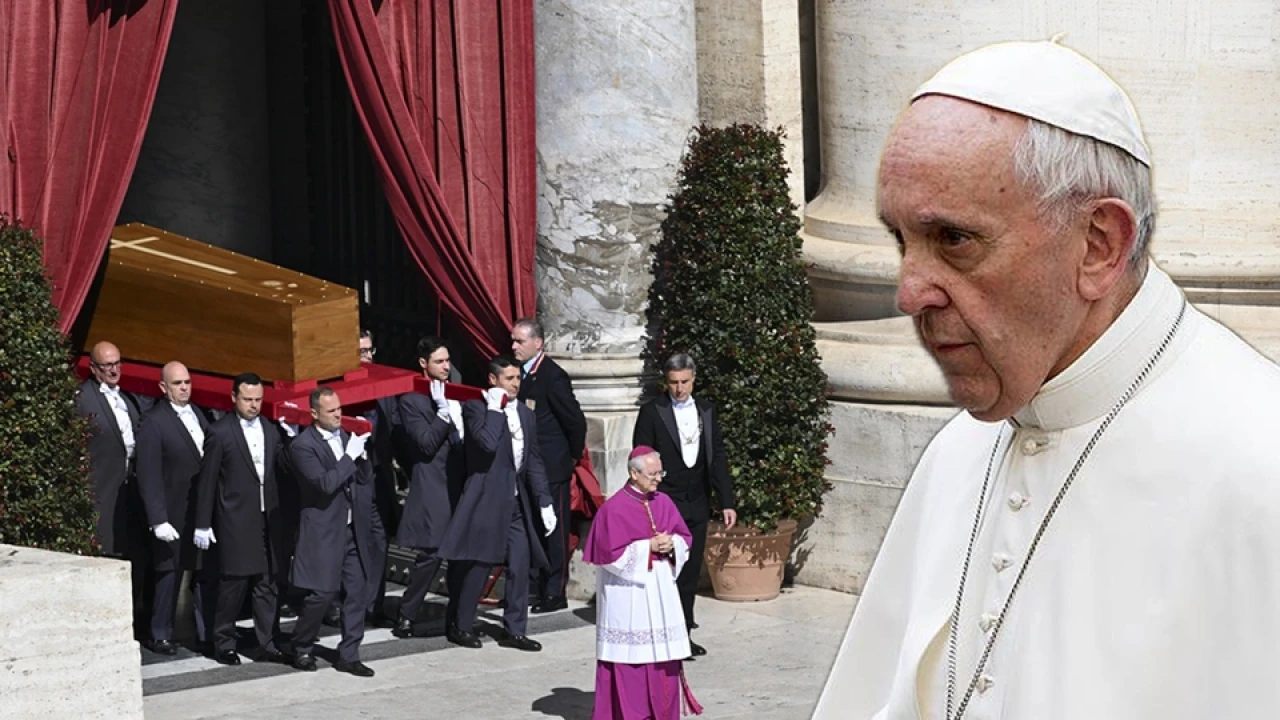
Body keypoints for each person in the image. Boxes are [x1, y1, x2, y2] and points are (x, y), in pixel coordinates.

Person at [813, 40, 1280, 720]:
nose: (910, 292)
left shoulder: (1262, 462)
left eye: (954, 240)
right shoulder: (957, 454)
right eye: (899, 240)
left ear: (1099, 245)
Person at [438, 355, 558, 652]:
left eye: (518, 378)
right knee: (479, 565)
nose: (515, 384)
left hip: (515, 502)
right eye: (509, 379)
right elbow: (487, 443)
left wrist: (544, 501)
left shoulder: (527, 415)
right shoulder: (476, 409)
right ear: (493, 380)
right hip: (486, 499)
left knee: (520, 562)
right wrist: (495, 408)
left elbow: (532, 461)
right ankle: (461, 624)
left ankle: (515, 630)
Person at [586, 446, 703, 720]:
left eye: (660, 472)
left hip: (660, 592)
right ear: (633, 473)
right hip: (629, 597)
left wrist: (670, 543)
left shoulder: (663, 501)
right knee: (632, 661)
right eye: (652, 473)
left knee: (662, 659)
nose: (658, 478)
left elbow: (684, 537)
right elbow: (609, 556)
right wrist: (647, 547)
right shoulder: (613, 509)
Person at [632, 353, 736, 657]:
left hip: (698, 500)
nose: (679, 389)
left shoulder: (706, 410)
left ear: (693, 379)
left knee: (690, 570)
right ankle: (660, 634)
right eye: (674, 383)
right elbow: (640, 454)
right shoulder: (653, 412)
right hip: (666, 501)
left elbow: (717, 457)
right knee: (665, 570)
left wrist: (726, 501)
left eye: (685, 382)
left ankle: (684, 634)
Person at [193, 373, 291, 666]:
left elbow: (282, 469)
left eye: (258, 400)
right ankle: (223, 641)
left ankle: (266, 641)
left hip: (267, 517)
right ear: (234, 397)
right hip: (234, 519)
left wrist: (292, 438)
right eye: (247, 399)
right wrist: (202, 523)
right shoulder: (220, 432)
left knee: (267, 582)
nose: (253, 405)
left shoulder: (271, 430)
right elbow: (207, 480)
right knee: (233, 584)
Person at [287, 387, 382, 677]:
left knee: (357, 591)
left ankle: (349, 653)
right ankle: (302, 644)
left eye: (339, 408)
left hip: (352, 529)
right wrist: (348, 457)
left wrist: (361, 456)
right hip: (324, 532)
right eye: (331, 411)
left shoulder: (345, 438)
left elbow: (362, 480)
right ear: (314, 413)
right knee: (323, 594)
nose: (338, 414)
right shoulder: (303, 446)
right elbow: (325, 484)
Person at [75, 340, 153, 639]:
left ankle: (134, 622)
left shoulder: (129, 400)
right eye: (107, 365)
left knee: (134, 557)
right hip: (102, 491)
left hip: (131, 494)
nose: (113, 370)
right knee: (106, 556)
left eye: (117, 363)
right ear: (94, 369)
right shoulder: (83, 399)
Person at [135, 362, 213, 654]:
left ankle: (204, 630)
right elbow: (148, 473)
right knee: (168, 573)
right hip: (171, 511)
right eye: (177, 383)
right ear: (163, 388)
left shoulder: (199, 414)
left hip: (198, 509)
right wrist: (158, 519)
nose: (184, 388)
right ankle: (159, 633)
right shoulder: (154, 421)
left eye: (187, 382)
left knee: (200, 571)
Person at [512, 318, 586, 614]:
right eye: (513, 340)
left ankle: (555, 591)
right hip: (527, 465)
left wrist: (569, 457)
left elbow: (574, 421)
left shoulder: (552, 376)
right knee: (531, 526)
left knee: (553, 530)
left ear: (537, 343)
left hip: (551, 466)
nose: (514, 346)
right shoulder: (518, 372)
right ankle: (532, 586)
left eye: (519, 341)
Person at [393, 336, 465, 638]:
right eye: (439, 362)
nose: (446, 367)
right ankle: (407, 613)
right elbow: (424, 444)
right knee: (431, 553)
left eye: (447, 360)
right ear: (423, 364)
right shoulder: (412, 400)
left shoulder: (456, 386)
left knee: (463, 552)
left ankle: (459, 617)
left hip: (460, 478)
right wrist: (442, 414)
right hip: (433, 481)